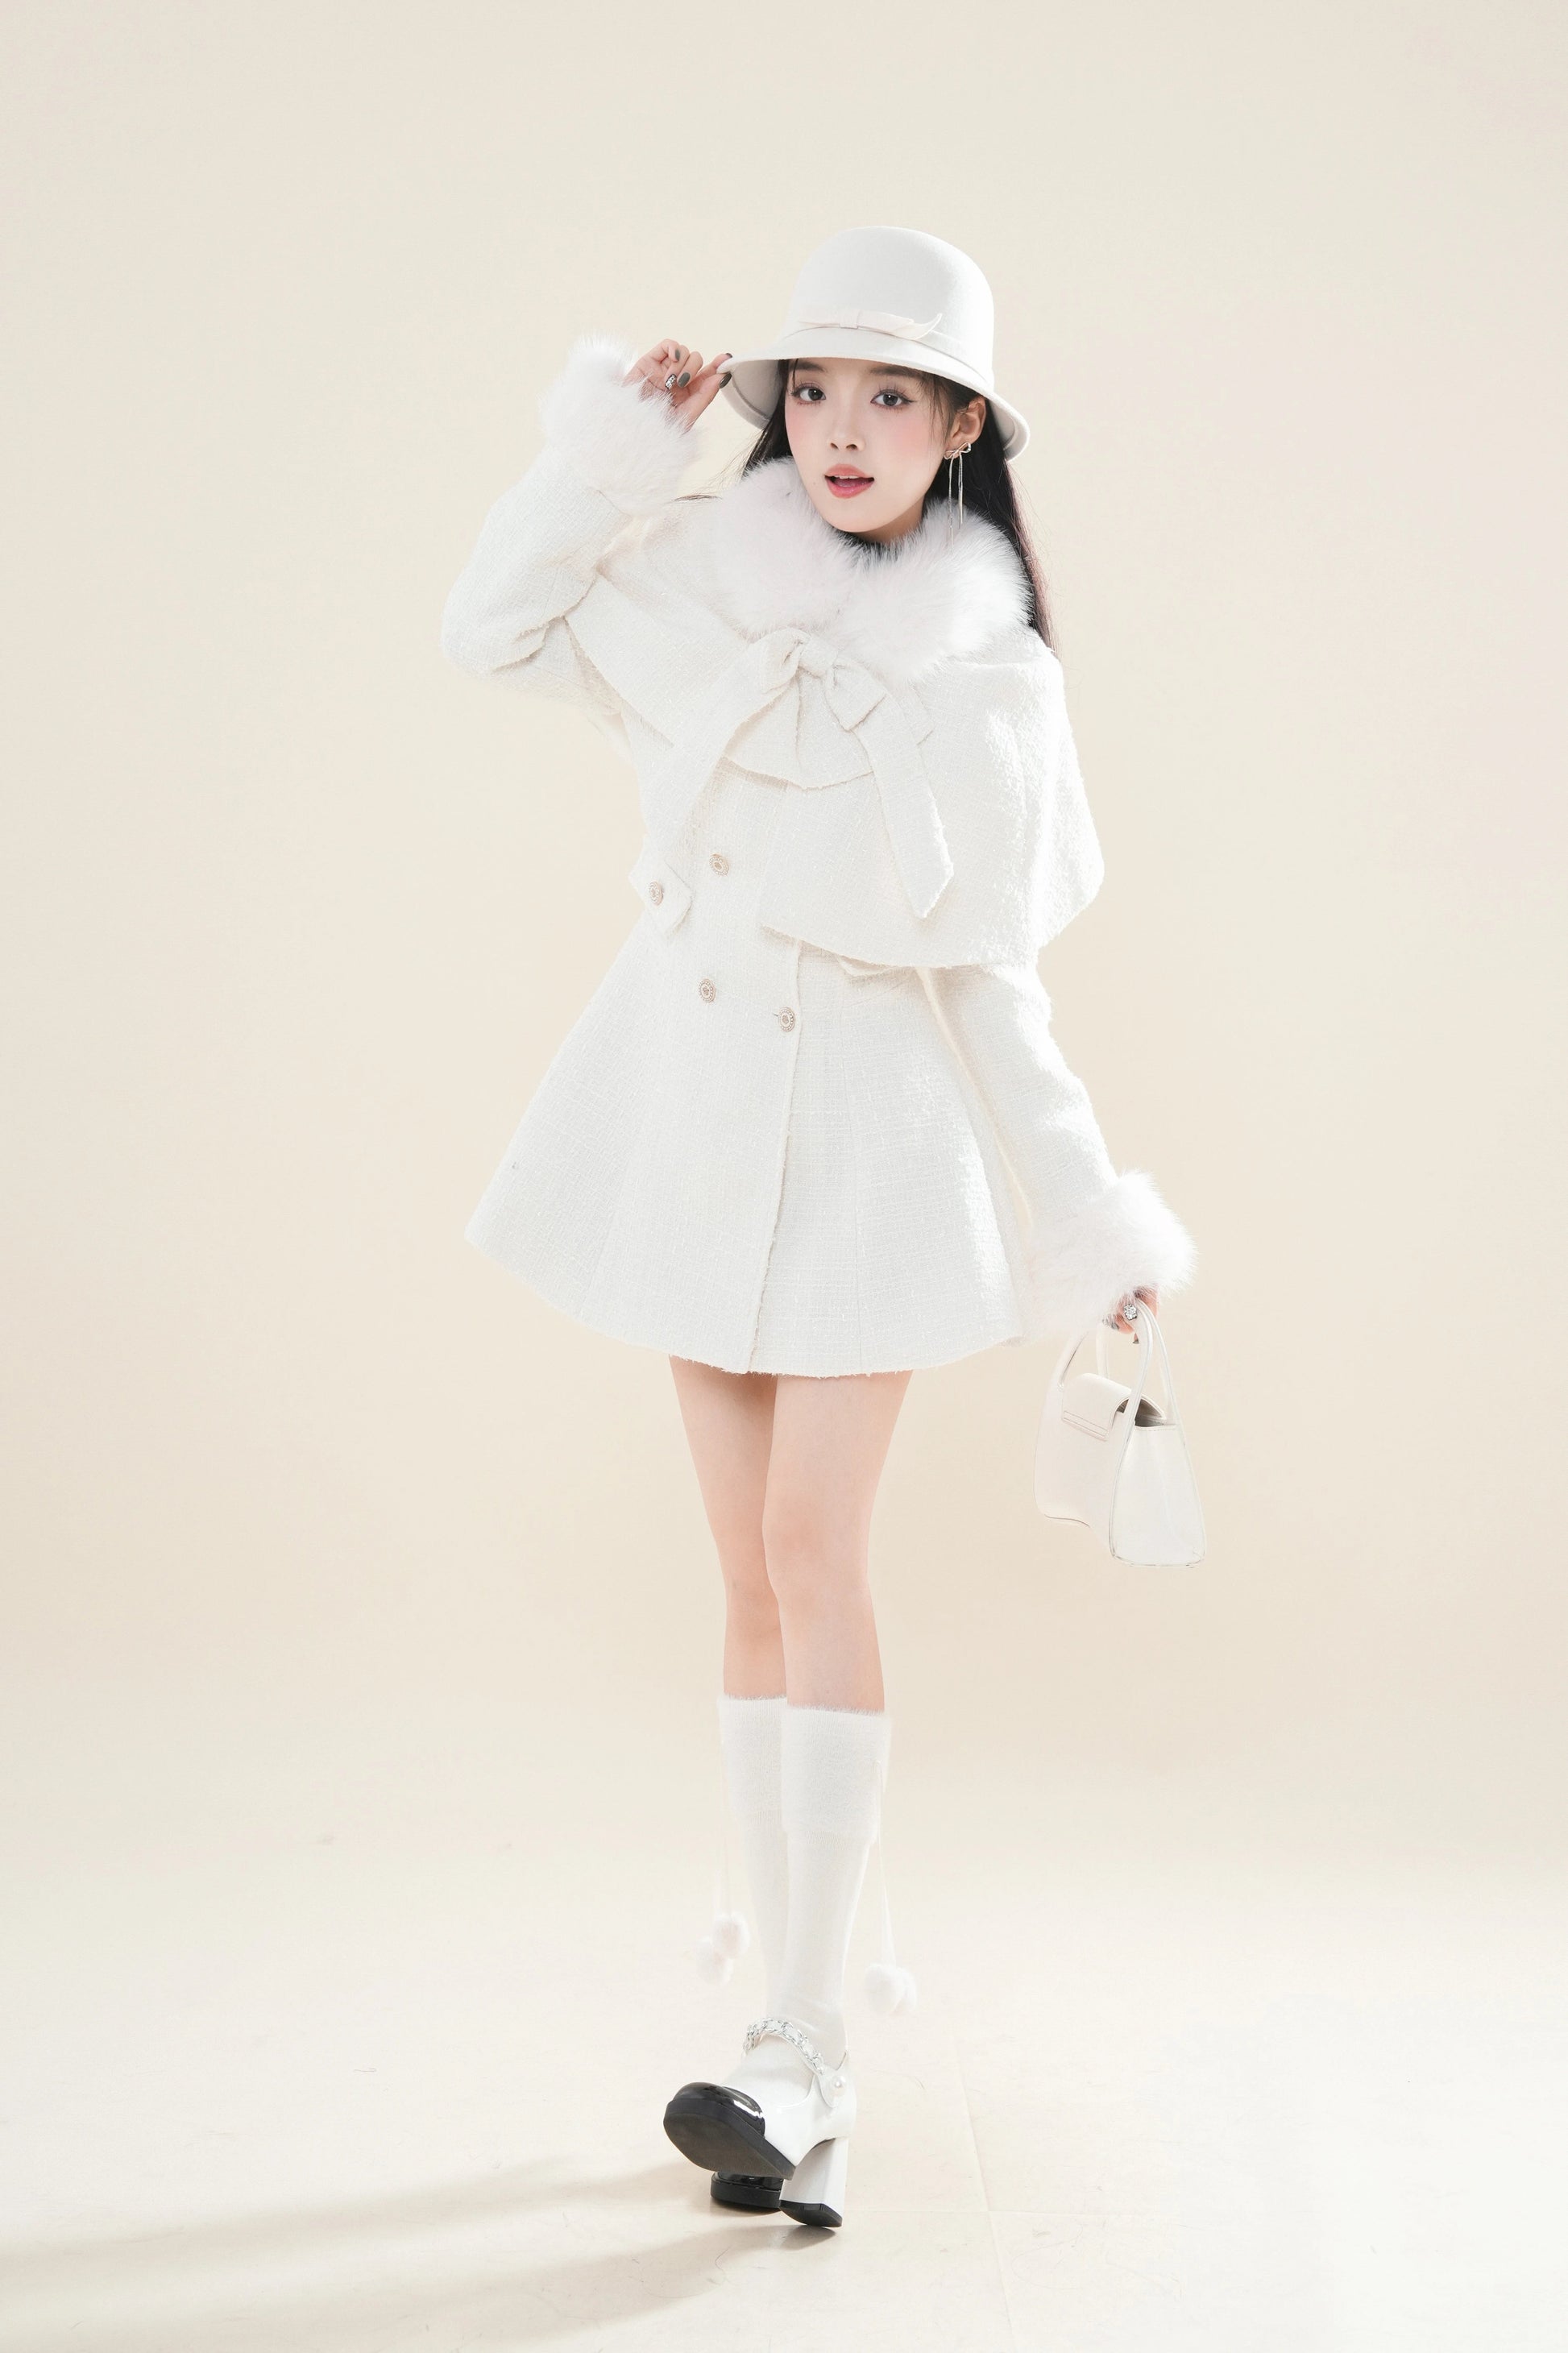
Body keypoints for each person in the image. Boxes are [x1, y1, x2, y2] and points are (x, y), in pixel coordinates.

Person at [440, 226, 1194, 2230]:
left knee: (809, 1547)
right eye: (819, 392)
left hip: (868, 1156)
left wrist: (1089, 1212)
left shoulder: (993, 681)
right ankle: (784, 2027)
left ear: (960, 429)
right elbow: (492, 625)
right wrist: (609, 455)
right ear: (775, 408)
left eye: (895, 397)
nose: (847, 430)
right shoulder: (695, 575)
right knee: (746, 1575)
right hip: (693, 1130)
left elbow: (995, 983)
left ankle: (803, 2035)